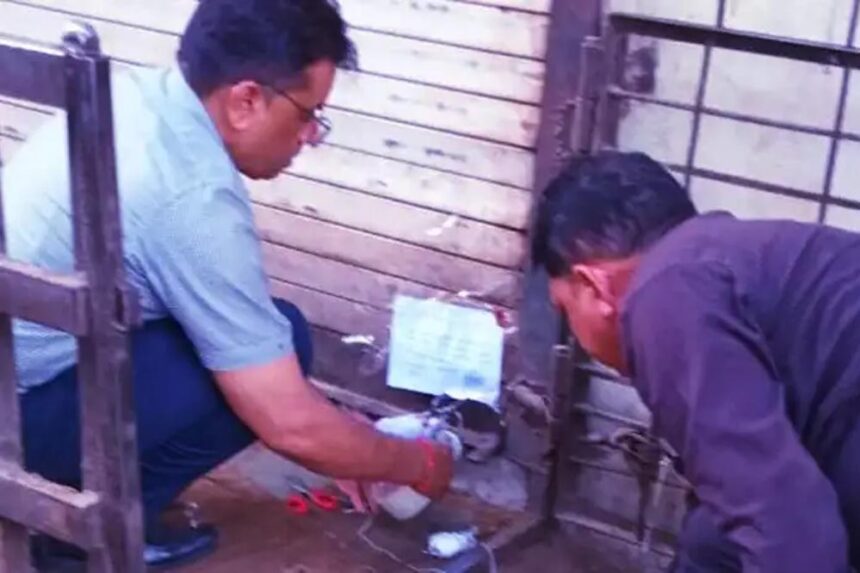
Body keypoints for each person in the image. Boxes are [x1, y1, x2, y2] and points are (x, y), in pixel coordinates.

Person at [3, 0, 453, 569]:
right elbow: (286, 422)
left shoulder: (138, 96)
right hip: (14, 431)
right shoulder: (192, 197)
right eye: (309, 113)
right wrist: (416, 464)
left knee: (261, 338)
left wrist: (347, 441)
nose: (312, 135)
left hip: (13, 382)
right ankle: (79, 538)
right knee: (282, 345)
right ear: (245, 102)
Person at [530, 151, 860, 573]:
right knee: (713, 541)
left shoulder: (665, 294)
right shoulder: (726, 256)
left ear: (591, 285)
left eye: (565, 310)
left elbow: (791, 533)